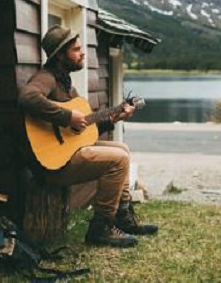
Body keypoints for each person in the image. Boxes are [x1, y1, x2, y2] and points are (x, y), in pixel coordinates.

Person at [18, 24, 158, 248]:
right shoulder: (47, 77)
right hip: (52, 165)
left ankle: (122, 217)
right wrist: (66, 117)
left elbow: (84, 129)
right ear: (60, 55)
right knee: (117, 159)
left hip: (68, 153)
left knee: (122, 150)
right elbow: (27, 98)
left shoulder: (65, 83)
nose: (82, 53)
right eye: (76, 49)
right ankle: (100, 229)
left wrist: (115, 117)